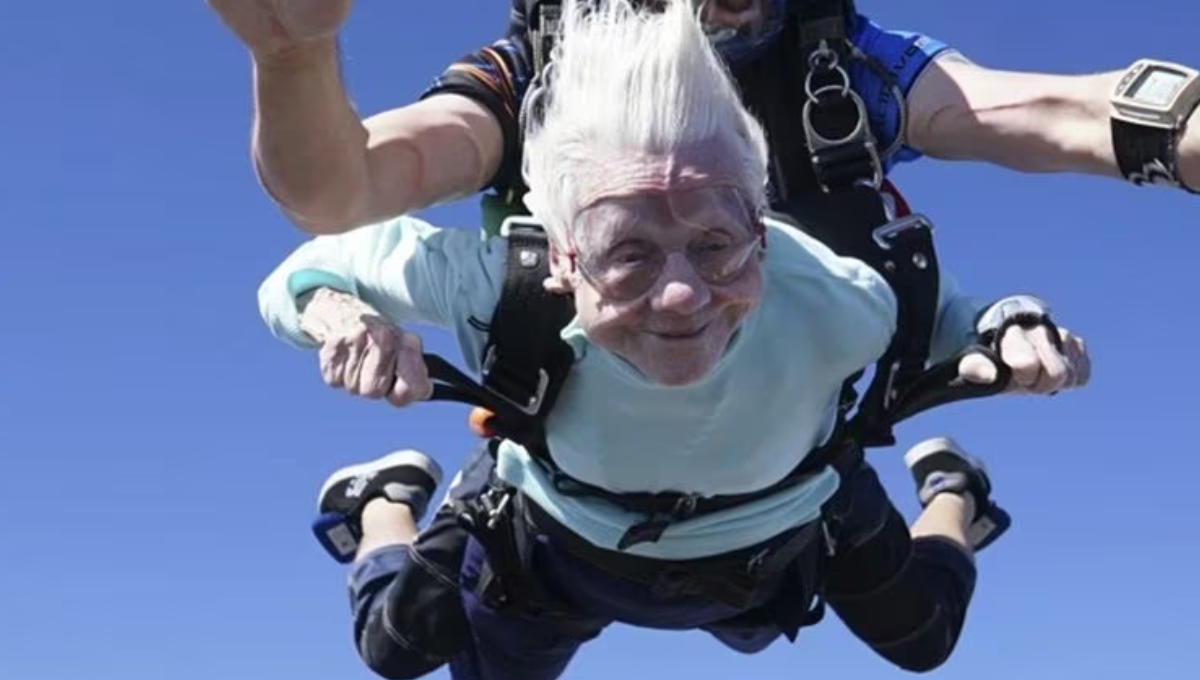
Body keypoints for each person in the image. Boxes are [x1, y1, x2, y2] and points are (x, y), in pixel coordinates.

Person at [256, 2, 1091, 678]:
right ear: (561, 259)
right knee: (395, 648)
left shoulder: (839, 290)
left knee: (924, 640)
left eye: (719, 245)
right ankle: (382, 503)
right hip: (560, 533)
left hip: (782, 523)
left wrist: (1011, 322)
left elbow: (938, 303)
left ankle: (955, 495)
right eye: (627, 254)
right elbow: (308, 264)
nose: (684, 295)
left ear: (763, 235)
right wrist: (346, 318)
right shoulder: (497, 279)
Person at [208, 0, 1199, 236]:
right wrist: (292, 61)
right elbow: (348, 188)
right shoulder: (539, 73)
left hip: (791, 461)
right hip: (571, 469)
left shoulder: (839, 64)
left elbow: (1049, 110)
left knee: (916, 629)